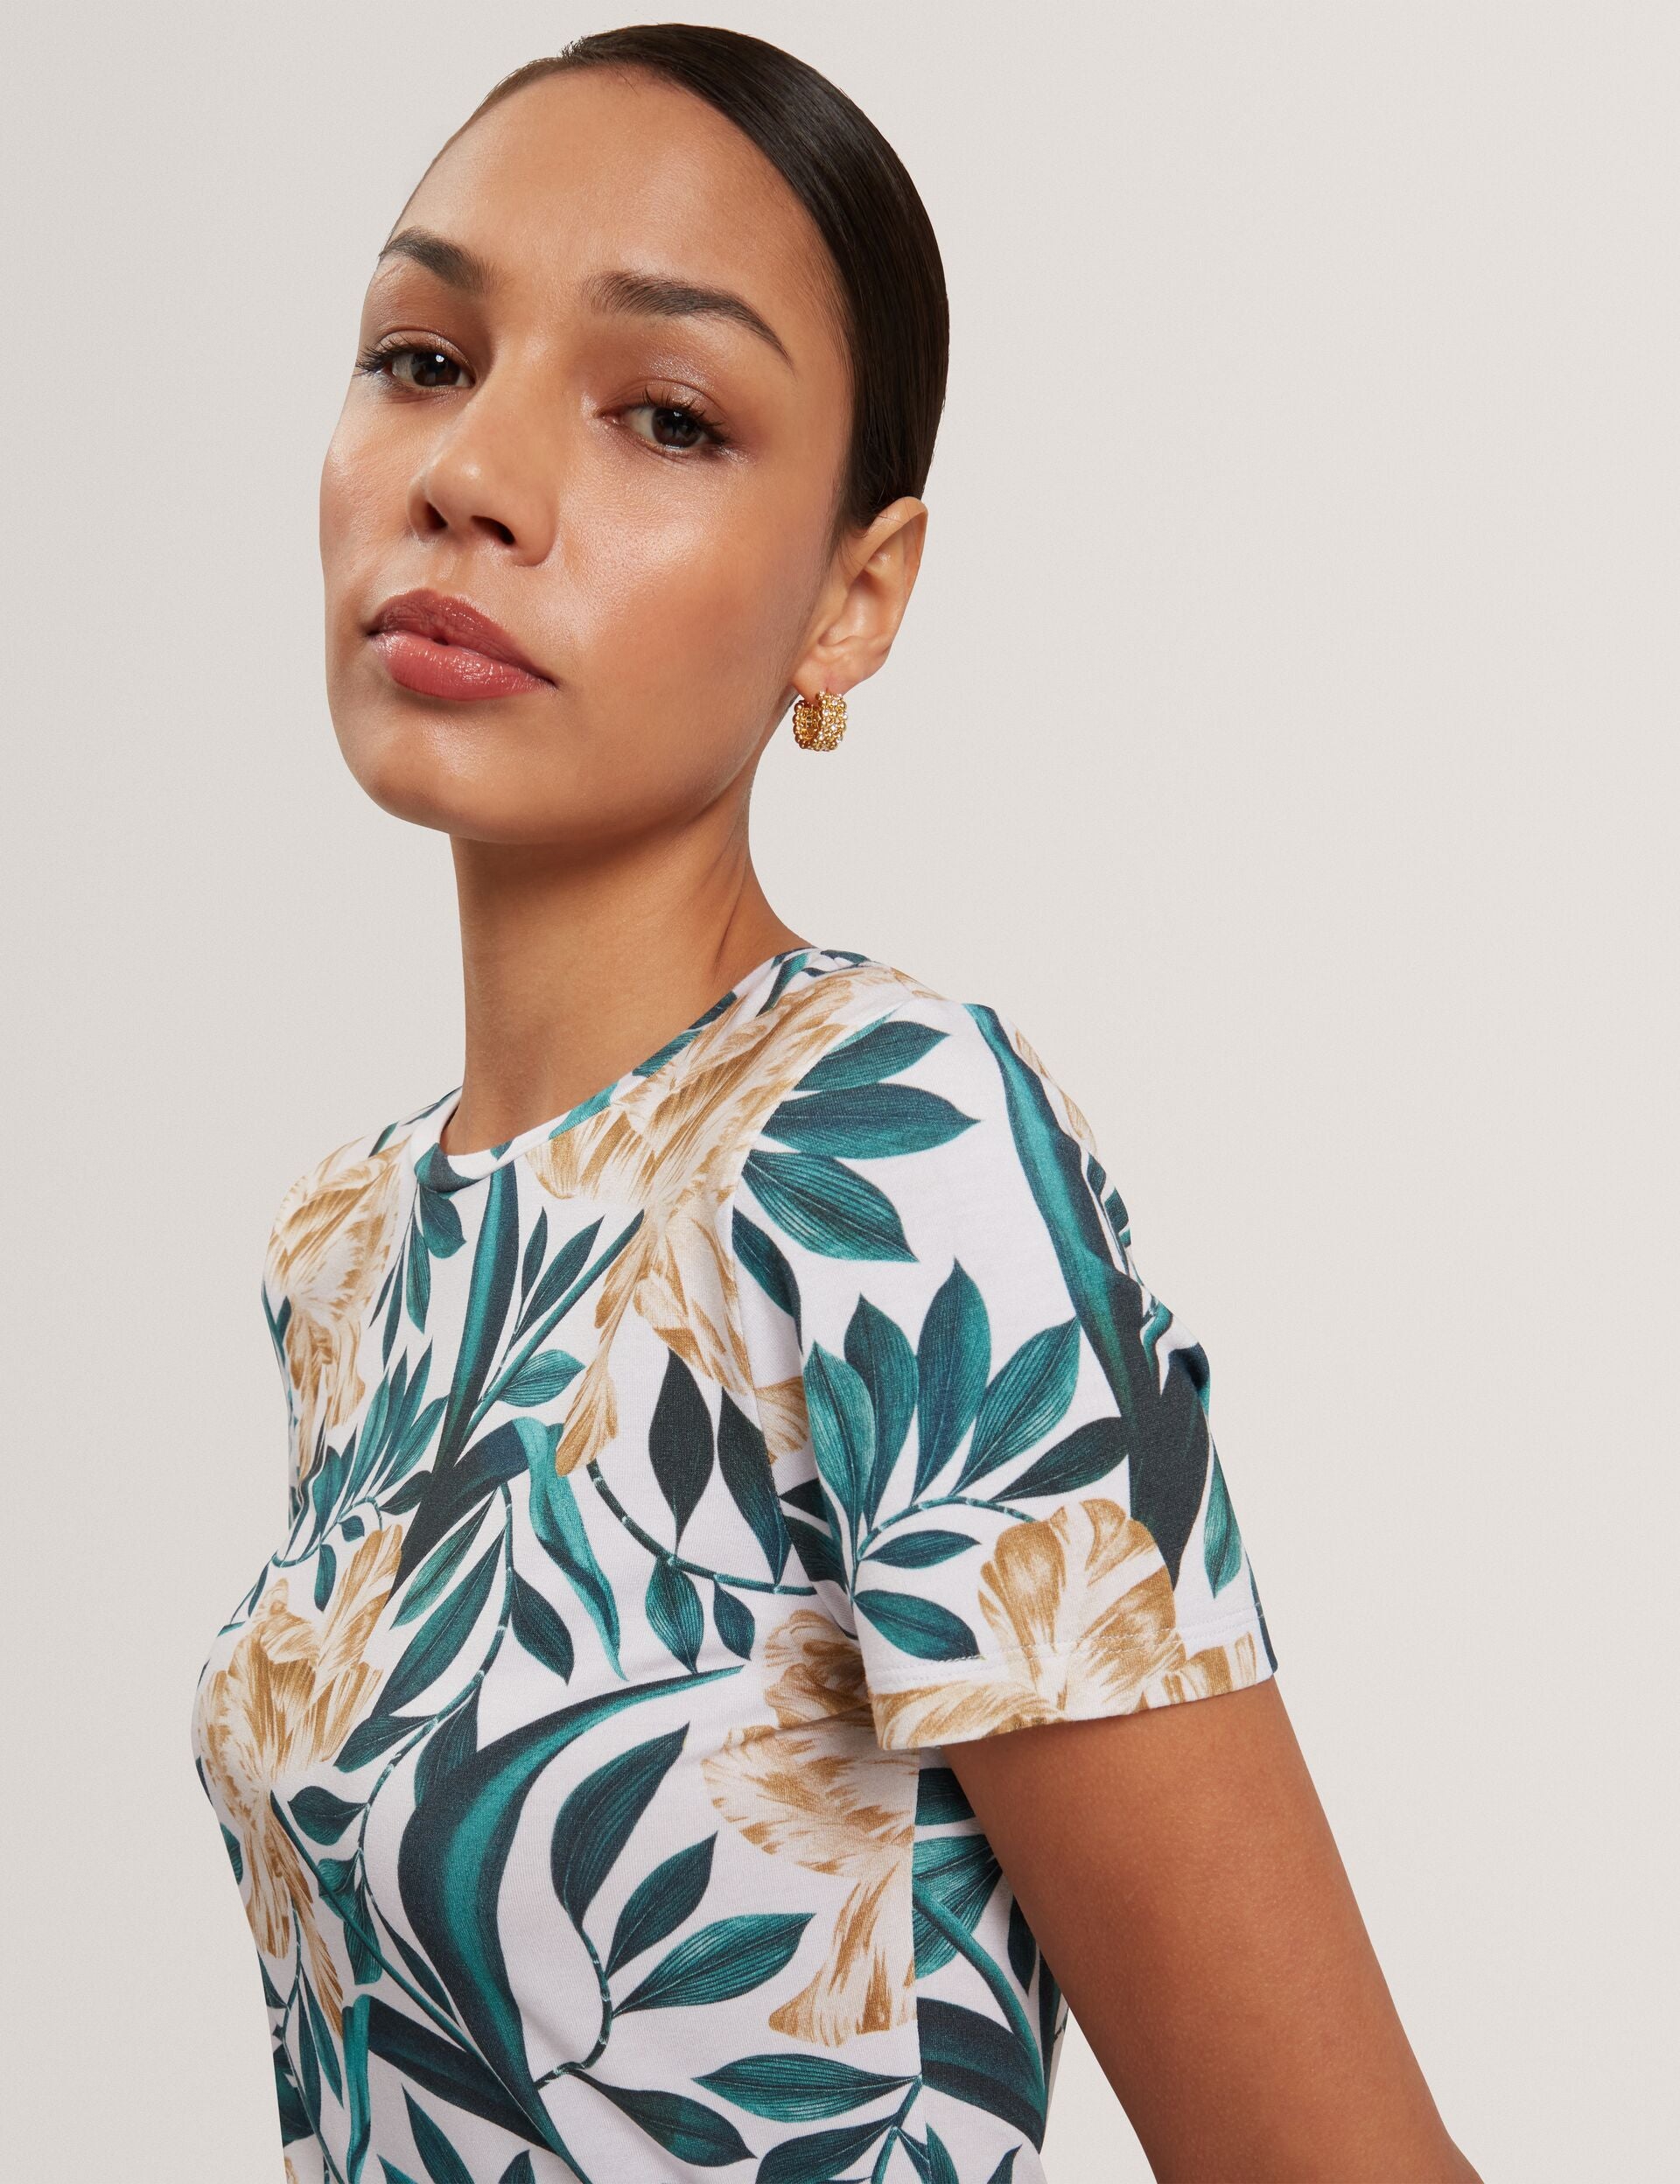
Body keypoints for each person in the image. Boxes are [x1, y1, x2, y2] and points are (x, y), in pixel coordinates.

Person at [190, 24, 1479, 2182]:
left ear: (855, 600)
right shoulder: (354, 1248)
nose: (473, 475)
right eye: (424, 359)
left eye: (668, 416)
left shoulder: (886, 1144)